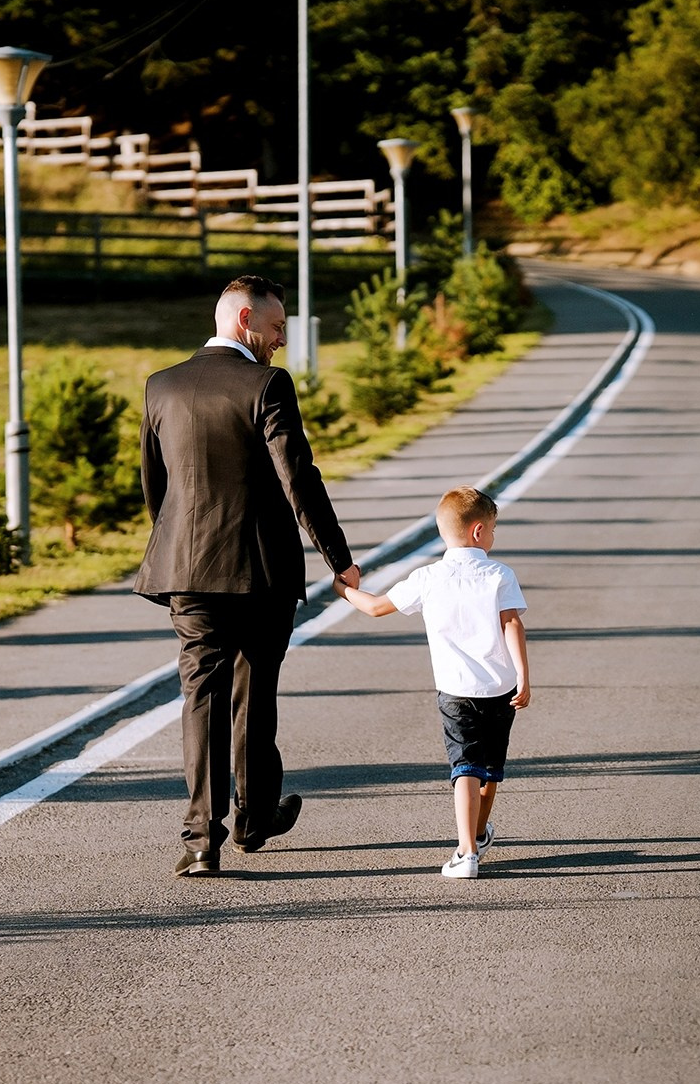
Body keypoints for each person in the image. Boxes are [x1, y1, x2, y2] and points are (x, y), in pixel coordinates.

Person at [137, 275, 360, 878]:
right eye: (276, 327)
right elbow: (299, 478)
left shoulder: (162, 386)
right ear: (244, 322)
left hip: (186, 569)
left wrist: (176, 544)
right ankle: (254, 818)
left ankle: (200, 840)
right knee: (255, 692)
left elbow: (154, 486)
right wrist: (339, 559)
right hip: (259, 569)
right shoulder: (267, 384)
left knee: (200, 697)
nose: (281, 340)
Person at [336, 486, 530, 880]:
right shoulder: (499, 574)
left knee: (465, 767)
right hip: (501, 687)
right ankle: (478, 830)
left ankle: (467, 850)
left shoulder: (428, 577)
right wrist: (524, 677)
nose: (494, 537)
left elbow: (375, 608)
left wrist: (344, 589)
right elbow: (512, 623)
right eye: (492, 529)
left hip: (456, 691)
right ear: (478, 532)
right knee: (491, 767)